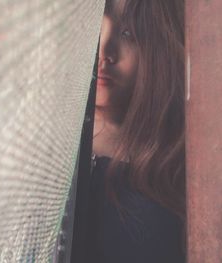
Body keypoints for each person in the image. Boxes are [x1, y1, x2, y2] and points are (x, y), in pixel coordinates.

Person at [86, 0, 186, 262]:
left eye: (128, 33)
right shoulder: (44, 150)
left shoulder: (171, 171)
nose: (105, 51)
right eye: (95, 30)